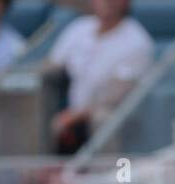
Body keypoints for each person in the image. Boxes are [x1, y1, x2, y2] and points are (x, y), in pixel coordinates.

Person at [47, 0, 154, 155]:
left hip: (116, 116)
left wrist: (75, 116)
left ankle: (111, 176)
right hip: (72, 115)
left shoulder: (137, 41)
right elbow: (50, 67)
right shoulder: (79, 28)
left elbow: (116, 96)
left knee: (102, 119)